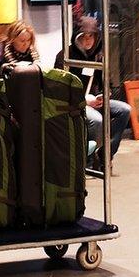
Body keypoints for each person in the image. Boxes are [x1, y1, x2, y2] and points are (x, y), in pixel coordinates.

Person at [54, 16, 131, 166]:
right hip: (74, 102)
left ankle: (105, 153)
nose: (88, 40)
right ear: (77, 36)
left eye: (92, 36)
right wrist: (84, 99)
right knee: (97, 120)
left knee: (125, 110)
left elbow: (105, 82)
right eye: (84, 36)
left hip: (94, 100)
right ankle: (87, 159)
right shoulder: (65, 55)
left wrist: (103, 94)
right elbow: (59, 87)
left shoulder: (99, 56)